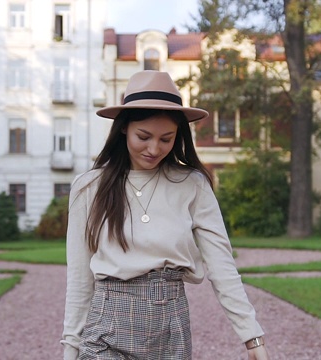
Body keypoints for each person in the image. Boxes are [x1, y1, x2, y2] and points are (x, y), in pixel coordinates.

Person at [61, 70, 269, 360]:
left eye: (166, 139)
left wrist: (252, 337)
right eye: (143, 136)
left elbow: (221, 264)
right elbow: (80, 276)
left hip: (170, 329)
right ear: (123, 128)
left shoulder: (192, 184)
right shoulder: (89, 187)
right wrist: (70, 348)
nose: (154, 148)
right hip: (105, 327)